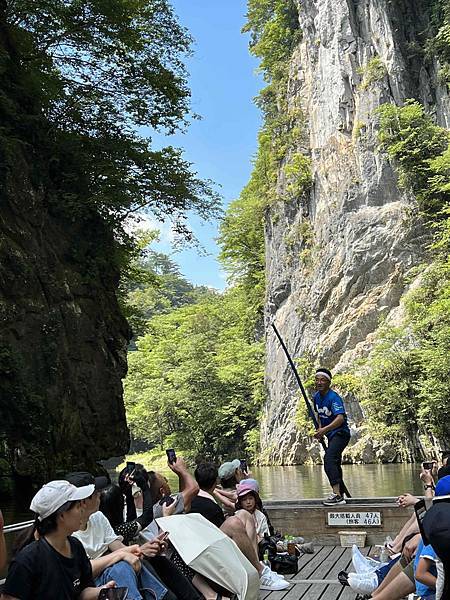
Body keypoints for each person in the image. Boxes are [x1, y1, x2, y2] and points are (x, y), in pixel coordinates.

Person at [1, 480, 116, 599]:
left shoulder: (75, 546)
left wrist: (101, 591)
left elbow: (81, 592)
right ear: (61, 515)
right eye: (78, 506)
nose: (83, 509)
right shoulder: (27, 560)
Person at [66, 472, 171, 600]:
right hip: (95, 580)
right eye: (95, 493)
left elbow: (118, 546)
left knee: (143, 560)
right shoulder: (70, 533)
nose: (100, 494)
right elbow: (84, 570)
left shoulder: (98, 517)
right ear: (82, 502)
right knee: (121, 567)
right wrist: (123, 554)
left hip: (115, 569)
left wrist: (140, 550)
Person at [187, 461, 289, 592]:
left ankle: (257, 567)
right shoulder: (209, 506)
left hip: (206, 545)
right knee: (235, 523)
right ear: (215, 481)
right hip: (212, 552)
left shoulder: (195, 500)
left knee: (244, 515)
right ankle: (259, 570)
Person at [313, 367, 351, 505]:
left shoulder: (334, 398)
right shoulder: (316, 397)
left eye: (322, 380)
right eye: (317, 380)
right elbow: (319, 415)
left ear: (328, 382)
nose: (319, 382)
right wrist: (319, 430)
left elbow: (340, 418)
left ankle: (336, 495)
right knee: (334, 462)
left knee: (329, 459)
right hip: (330, 435)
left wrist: (325, 430)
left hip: (341, 434)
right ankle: (341, 493)